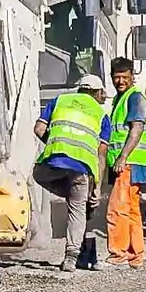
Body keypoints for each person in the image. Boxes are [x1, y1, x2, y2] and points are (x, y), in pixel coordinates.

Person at [32, 74, 112, 273]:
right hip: (81, 168)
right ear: (97, 92)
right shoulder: (102, 116)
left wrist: (55, 143)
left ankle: (75, 196)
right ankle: (71, 258)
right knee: (78, 208)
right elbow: (100, 156)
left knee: (37, 174)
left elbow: (39, 128)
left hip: (52, 163)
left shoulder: (60, 100)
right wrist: (97, 188)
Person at [105, 56, 146, 268]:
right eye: (116, 77)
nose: (120, 81)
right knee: (132, 210)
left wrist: (122, 157)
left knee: (117, 208)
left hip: (129, 163)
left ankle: (118, 253)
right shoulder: (120, 100)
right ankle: (136, 255)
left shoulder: (135, 98)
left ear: (133, 76)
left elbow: (137, 129)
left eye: (124, 77)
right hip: (133, 163)